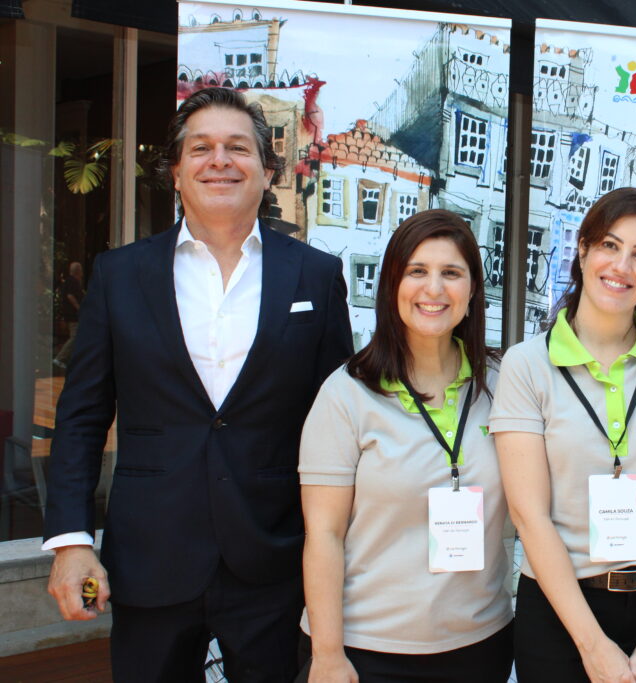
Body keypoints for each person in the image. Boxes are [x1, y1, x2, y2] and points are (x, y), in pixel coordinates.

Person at [43, 87, 354, 682]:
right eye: (201, 148)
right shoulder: (120, 275)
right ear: (176, 173)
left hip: (274, 559)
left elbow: (336, 419)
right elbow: (82, 417)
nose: (220, 160)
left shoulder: (316, 275)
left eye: (238, 148)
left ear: (267, 171)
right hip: (150, 557)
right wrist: (71, 541)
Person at [492, 188, 636, 683]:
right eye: (610, 246)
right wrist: (594, 648)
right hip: (560, 616)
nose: (622, 266)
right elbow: (530, 517)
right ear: (583, 250)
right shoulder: (526, 366)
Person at [298, 209, 513, 683]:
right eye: (417, 271)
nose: (434, 289)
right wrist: (328, 656)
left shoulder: (504, 386)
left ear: (473, 289)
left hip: (481, 645)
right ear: (392, 283)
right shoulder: (346, 393)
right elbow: (324, 535)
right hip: (367, 649)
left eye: (451, 273)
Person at [53, 260, 84, 369]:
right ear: (78, 271)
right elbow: (70, 296)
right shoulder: (72, 281)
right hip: (73, 315)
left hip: (72, 315)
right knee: (75, 337)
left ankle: (74, 360)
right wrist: (79, 308)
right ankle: (60, 358)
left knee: (79, 337)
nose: (82, 274)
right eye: (81, 271)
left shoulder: (69, 281)